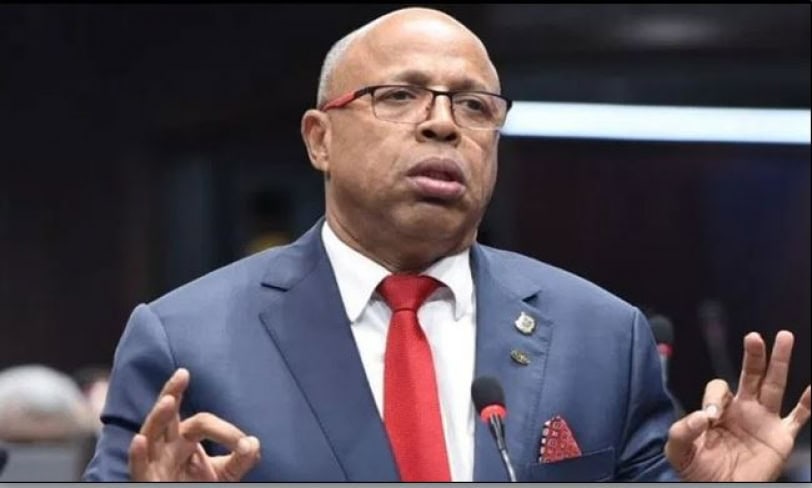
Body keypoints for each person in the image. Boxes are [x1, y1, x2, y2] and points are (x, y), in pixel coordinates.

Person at [83, 7, 810, 482]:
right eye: (398, 96)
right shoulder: (186, 341)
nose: (442, 124)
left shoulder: (601, 334)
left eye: (473, 105)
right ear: (319, 138)